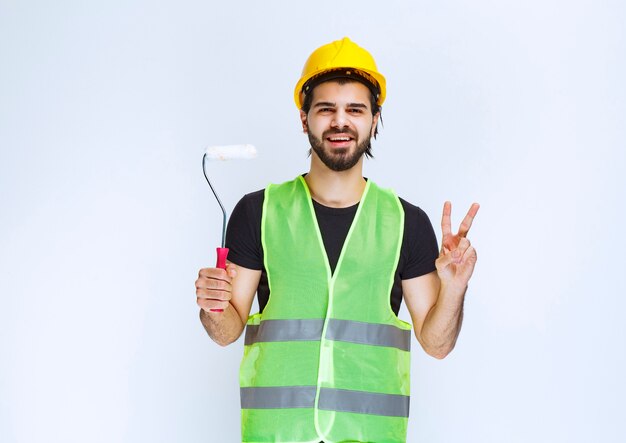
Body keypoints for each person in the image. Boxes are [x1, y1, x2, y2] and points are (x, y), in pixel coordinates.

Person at [195, 37, 479, 443]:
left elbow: (436, 344)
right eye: (326, 108)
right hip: (277, 435)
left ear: (375, 120)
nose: (340, 122)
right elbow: (225, 331)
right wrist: (213, 304)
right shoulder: (258, 212)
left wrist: (453, 289)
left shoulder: (406, 222)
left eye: (355, 110)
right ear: (304, 117)